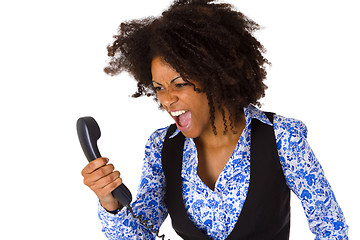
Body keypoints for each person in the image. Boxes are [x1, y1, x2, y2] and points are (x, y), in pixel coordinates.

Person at [81, 0, 348, 239]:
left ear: (215, 76)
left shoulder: (282, 136)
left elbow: (331, 226)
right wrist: (109, 201)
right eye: (160, 87)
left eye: (180, 84)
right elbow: (141, 233)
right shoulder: (161, 147)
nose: (167, 99)